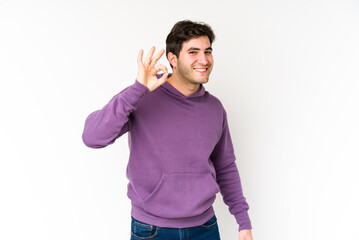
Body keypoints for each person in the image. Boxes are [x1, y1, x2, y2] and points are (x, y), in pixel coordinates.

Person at [82, 20, 253, 240]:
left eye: (207, 51)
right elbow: (92, 137)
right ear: (173, 58)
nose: (204, 60)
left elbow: (225, 166)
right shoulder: (142, 97)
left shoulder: (215, 109)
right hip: (151, 229)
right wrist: (137, 90)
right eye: (193, 52)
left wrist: (243, 222)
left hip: (205, 228)